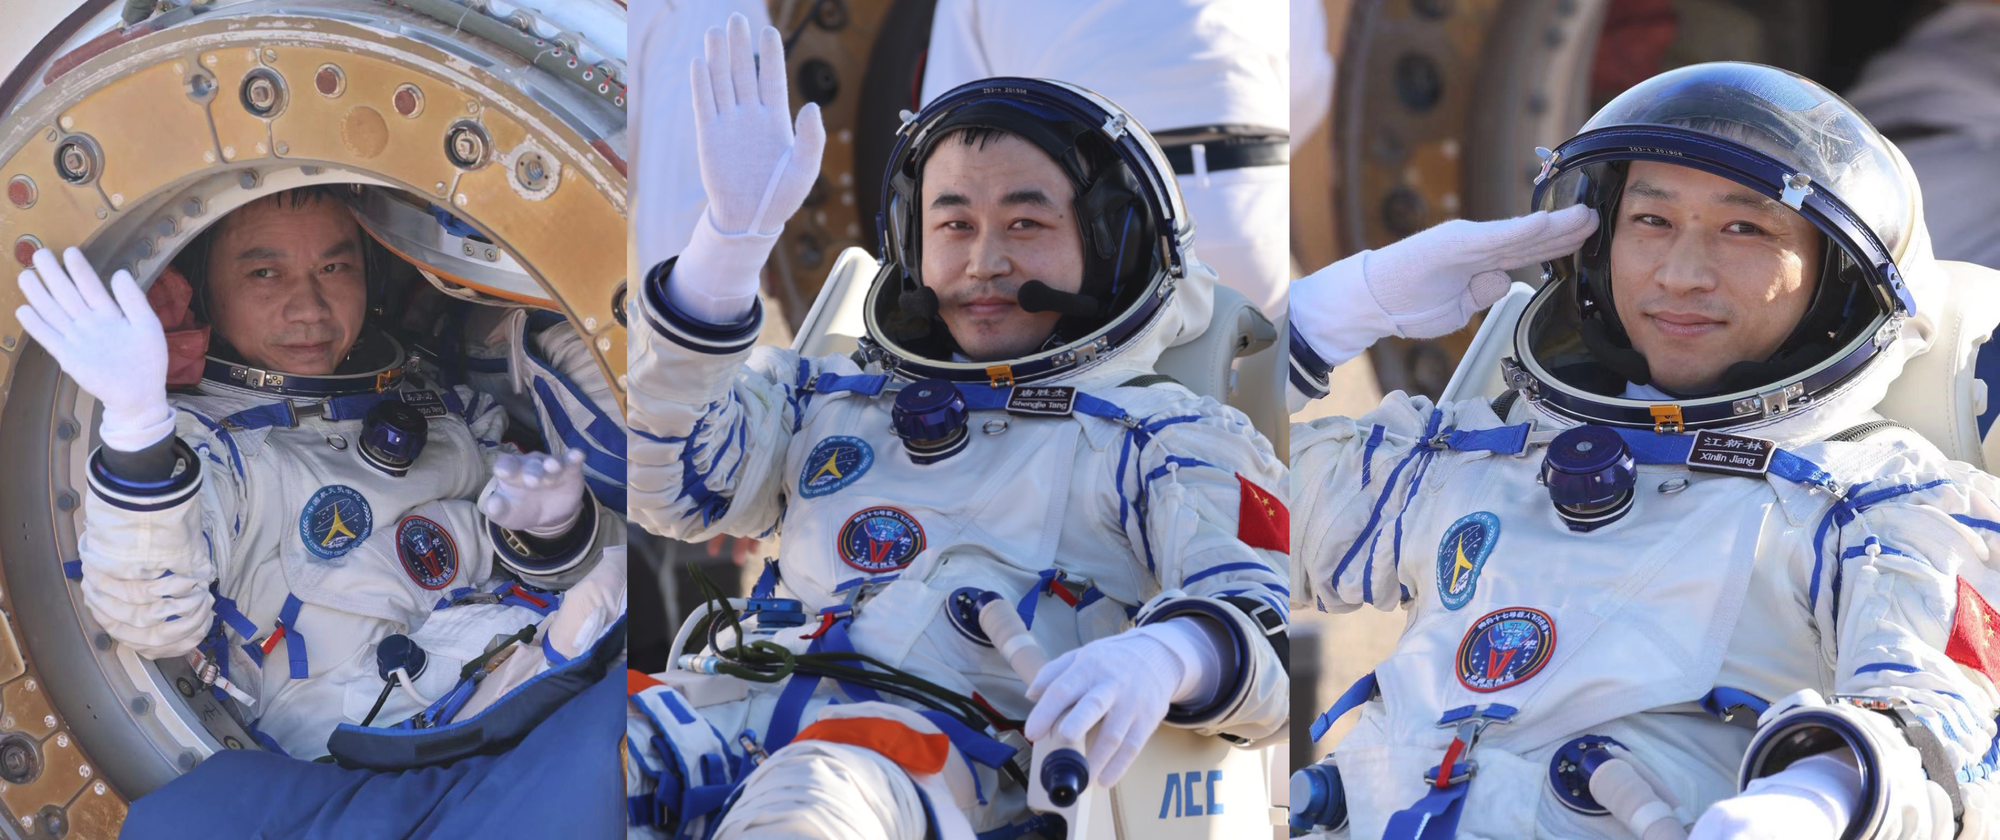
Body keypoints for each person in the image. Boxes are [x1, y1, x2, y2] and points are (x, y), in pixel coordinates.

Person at [1287, 62, 2000, 839]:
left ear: (1832, 277)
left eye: (1745, 228)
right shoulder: (1475, 452)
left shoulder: (1873, 500)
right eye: (1651, 222)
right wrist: (1313, 326)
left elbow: (1948, 722)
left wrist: (1822, 792)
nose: (1680, 274)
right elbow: (1188, 520)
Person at [625, 16, 1288, 839]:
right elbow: (670, 487)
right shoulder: (833, 394)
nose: (984, 263)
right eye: (953, 225)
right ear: (911, 242)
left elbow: (1264, 623)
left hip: (931, 771)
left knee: (811, 800)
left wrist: (1169, 656)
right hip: (719, 719)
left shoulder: (1163, 437)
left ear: (1109, 245)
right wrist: (725, 252)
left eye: (1026, 224)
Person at [13, 186, 624, 761]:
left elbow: (545, 561)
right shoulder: (209, 453)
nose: (308, 307)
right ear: (206, 289)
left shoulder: (442, 405)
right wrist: (137, 428)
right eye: (264, 272)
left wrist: (555, 531)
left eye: (335, 269)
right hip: (384, 736)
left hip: (525, 646)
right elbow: (155, 619)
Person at [919, 0, 1290, 321]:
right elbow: (1313, 85)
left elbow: (951, 121)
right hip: (1251, 207)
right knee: (1257, 391)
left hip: (1109, 218)